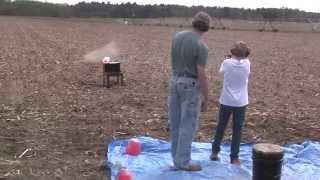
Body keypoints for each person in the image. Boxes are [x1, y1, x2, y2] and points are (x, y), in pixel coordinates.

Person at [168, 11, 211, 171]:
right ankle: (184, 162)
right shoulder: (201, 46)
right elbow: (201, 73)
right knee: (188, 125)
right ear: (207, 28)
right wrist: (207, 97)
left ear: (193, 23)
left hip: (174, 81)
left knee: (175, 123)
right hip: (190, 86)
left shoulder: (177, 36)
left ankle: (176, 159)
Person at [210, 41, 251, 165]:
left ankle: (214, 152)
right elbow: (243, 61)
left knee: (221, 126)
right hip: (241, 103)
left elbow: (221, 71)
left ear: (232, 52)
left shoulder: (227, 63)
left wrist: (227, 58)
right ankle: (234, 157)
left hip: (226, 101)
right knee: (237, 130)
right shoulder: (247, 64)